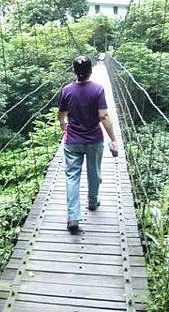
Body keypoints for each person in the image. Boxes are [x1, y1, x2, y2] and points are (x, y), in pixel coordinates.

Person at [58, 55, 118, 233]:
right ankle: (92, 202)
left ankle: (73, 216)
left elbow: (61, 115)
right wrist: (114, 139)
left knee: (72, 177)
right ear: (91, 71)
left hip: (73, 142)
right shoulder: (98, 89)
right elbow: (104, 116)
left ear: (74, 71)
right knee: (94, 172)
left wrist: (64, 127)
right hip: (94, 140)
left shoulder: (66, 90)